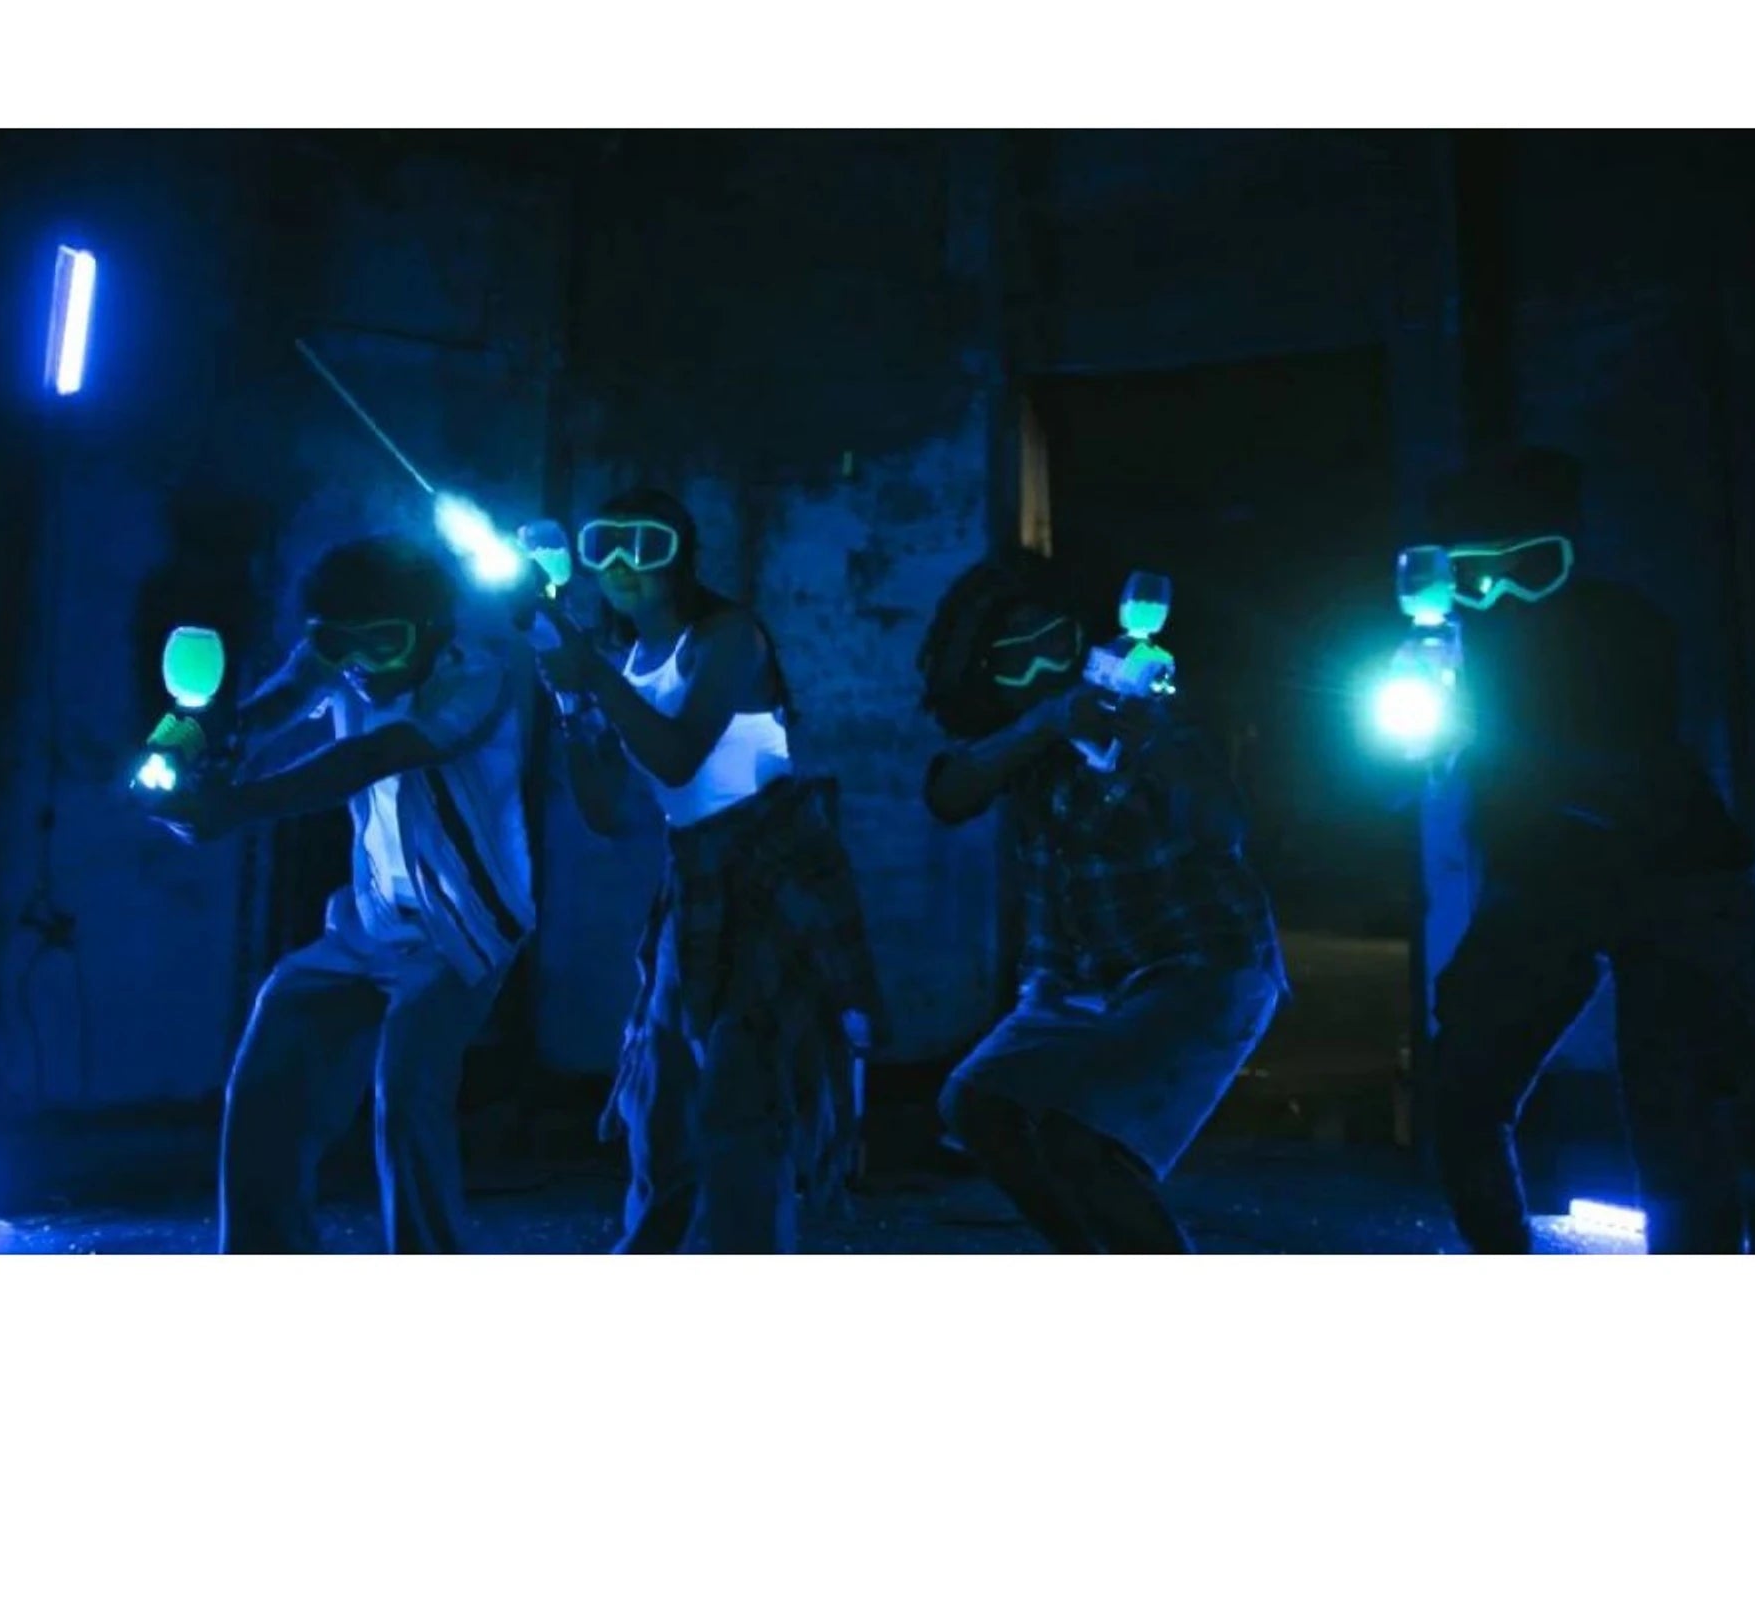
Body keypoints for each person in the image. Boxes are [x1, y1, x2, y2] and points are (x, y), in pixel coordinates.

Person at [147, 533, 534, 1253]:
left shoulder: (476, 673)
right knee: (268, 1074)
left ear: (430, 631)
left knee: (407, 1096)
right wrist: (214, 742)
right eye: (337, 643)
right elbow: (280, 702)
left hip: (464, 927)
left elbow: (370, 756)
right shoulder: (337, 661)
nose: (359, 664)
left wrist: (235, 806)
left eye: (383, 643)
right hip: (370, 924)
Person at [1422, 448, 1755, 1253]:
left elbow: (1611, 758)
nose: (1499, 594)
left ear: (1564, 553)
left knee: (1673, 1107)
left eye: (1525, 569)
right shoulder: (1467, 649)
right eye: (1475, 577)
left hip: (1667, 873)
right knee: (1466, 1083)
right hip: (1561, 873)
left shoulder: (1622, 627)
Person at [534, 487, 883, 1253]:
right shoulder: (628, 662)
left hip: (772, 872)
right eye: (604, 546)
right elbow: (608, 812)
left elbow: (678, 756)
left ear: (681, 556)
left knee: (739, 1101)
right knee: (660, 1101)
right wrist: (570, 705)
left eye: (645, 544)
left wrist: (593, 680)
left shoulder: (729, 638)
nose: (622, 563)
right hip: (692, 880)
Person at [915, 551, 1287, 1252]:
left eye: (1055, 646)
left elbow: (1224, 825)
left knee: (1083, 1143)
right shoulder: (1021, 739)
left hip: (1199, 967)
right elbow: (947, 793)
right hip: (1074, 988)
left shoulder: (1150, 716)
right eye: (1015, 660)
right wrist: (1047, 722)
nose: (1041, 670)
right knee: (978, 1105)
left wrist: (1153, 738)